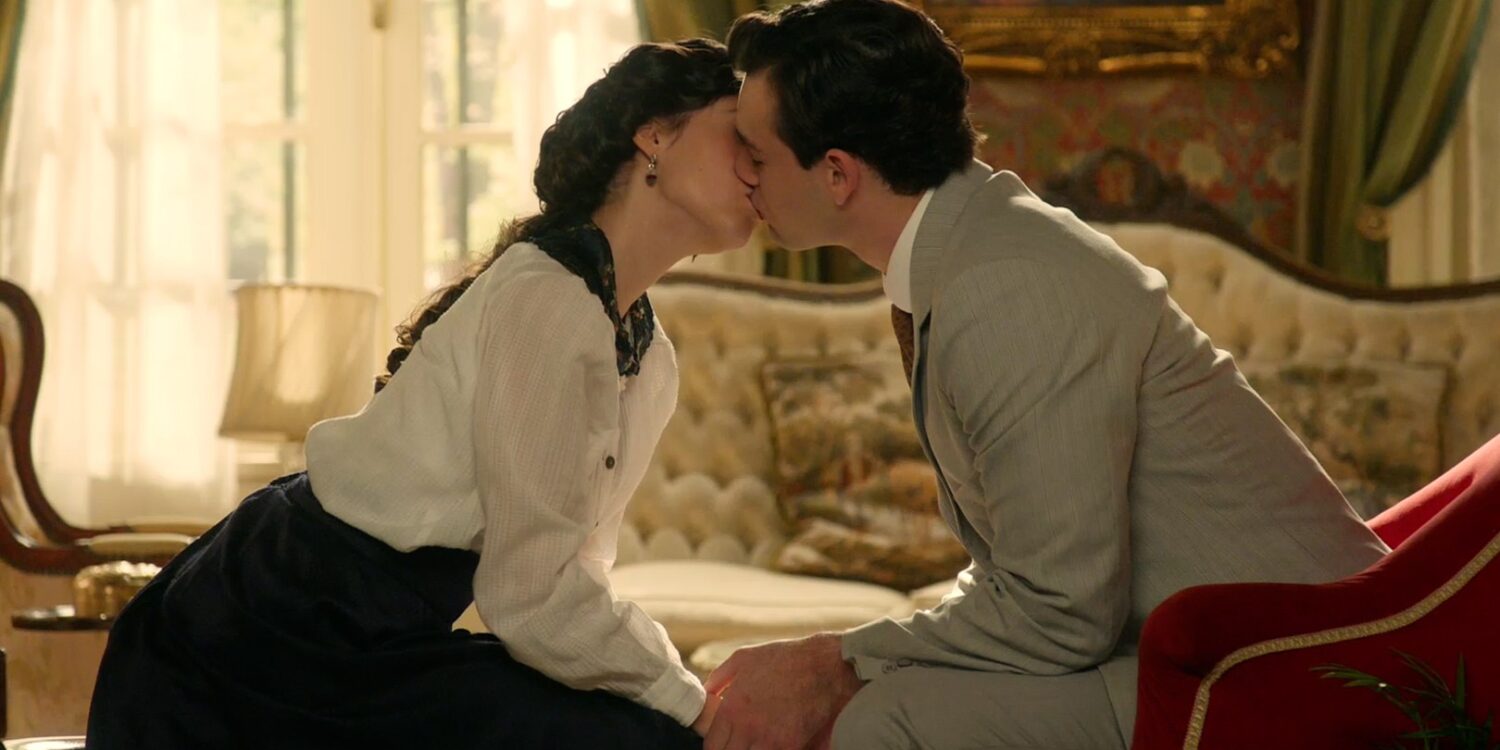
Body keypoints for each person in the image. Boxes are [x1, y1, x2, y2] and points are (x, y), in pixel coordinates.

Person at [702, 2, 1390, 749]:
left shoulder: (1004, 284)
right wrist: (854, 659)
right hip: (1193, 651)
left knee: (886, 719)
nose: (743, 173)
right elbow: (1024, 571)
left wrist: (840, 662)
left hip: (1292, 674)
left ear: (837, 173)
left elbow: (1060, 611)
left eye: (757, 154)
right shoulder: (973, 248)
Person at [86, 38, 754, 749]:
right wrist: (693, 704)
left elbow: (575, 572)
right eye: (739, 133)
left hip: (371, 630)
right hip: (264, 628)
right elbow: (531, 595)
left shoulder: (648, 358)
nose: (758, 163)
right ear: (654, 134)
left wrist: (676, 697)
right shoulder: (548, 297)